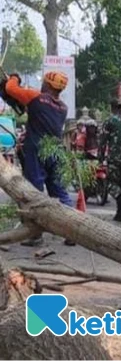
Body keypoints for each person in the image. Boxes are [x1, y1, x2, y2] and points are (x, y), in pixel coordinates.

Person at [1, 72, 76, 246]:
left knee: (32, 192)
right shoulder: (63, 107)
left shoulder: (36, 97)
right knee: (59, 192)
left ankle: (35, 235)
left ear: (48, 85)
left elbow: (10, 88)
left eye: (44, 83)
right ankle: (72, 230)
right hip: (55, 152)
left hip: (37, 150)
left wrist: (14, 77)